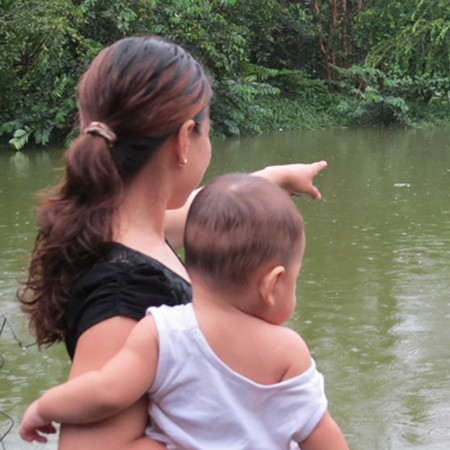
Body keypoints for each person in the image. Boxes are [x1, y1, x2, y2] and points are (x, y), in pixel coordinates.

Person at [17, 35, 328, 448]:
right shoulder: (126, 292)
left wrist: (269, 180)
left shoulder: (123, 229)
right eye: (207, 132)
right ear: (185, 140)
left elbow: (205, 221)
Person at [20, 174, 349, 449]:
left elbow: (106, 392)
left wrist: (45, 406)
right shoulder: (288, 352)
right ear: (272, 284)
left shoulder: (161, 332)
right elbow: (324, 439)